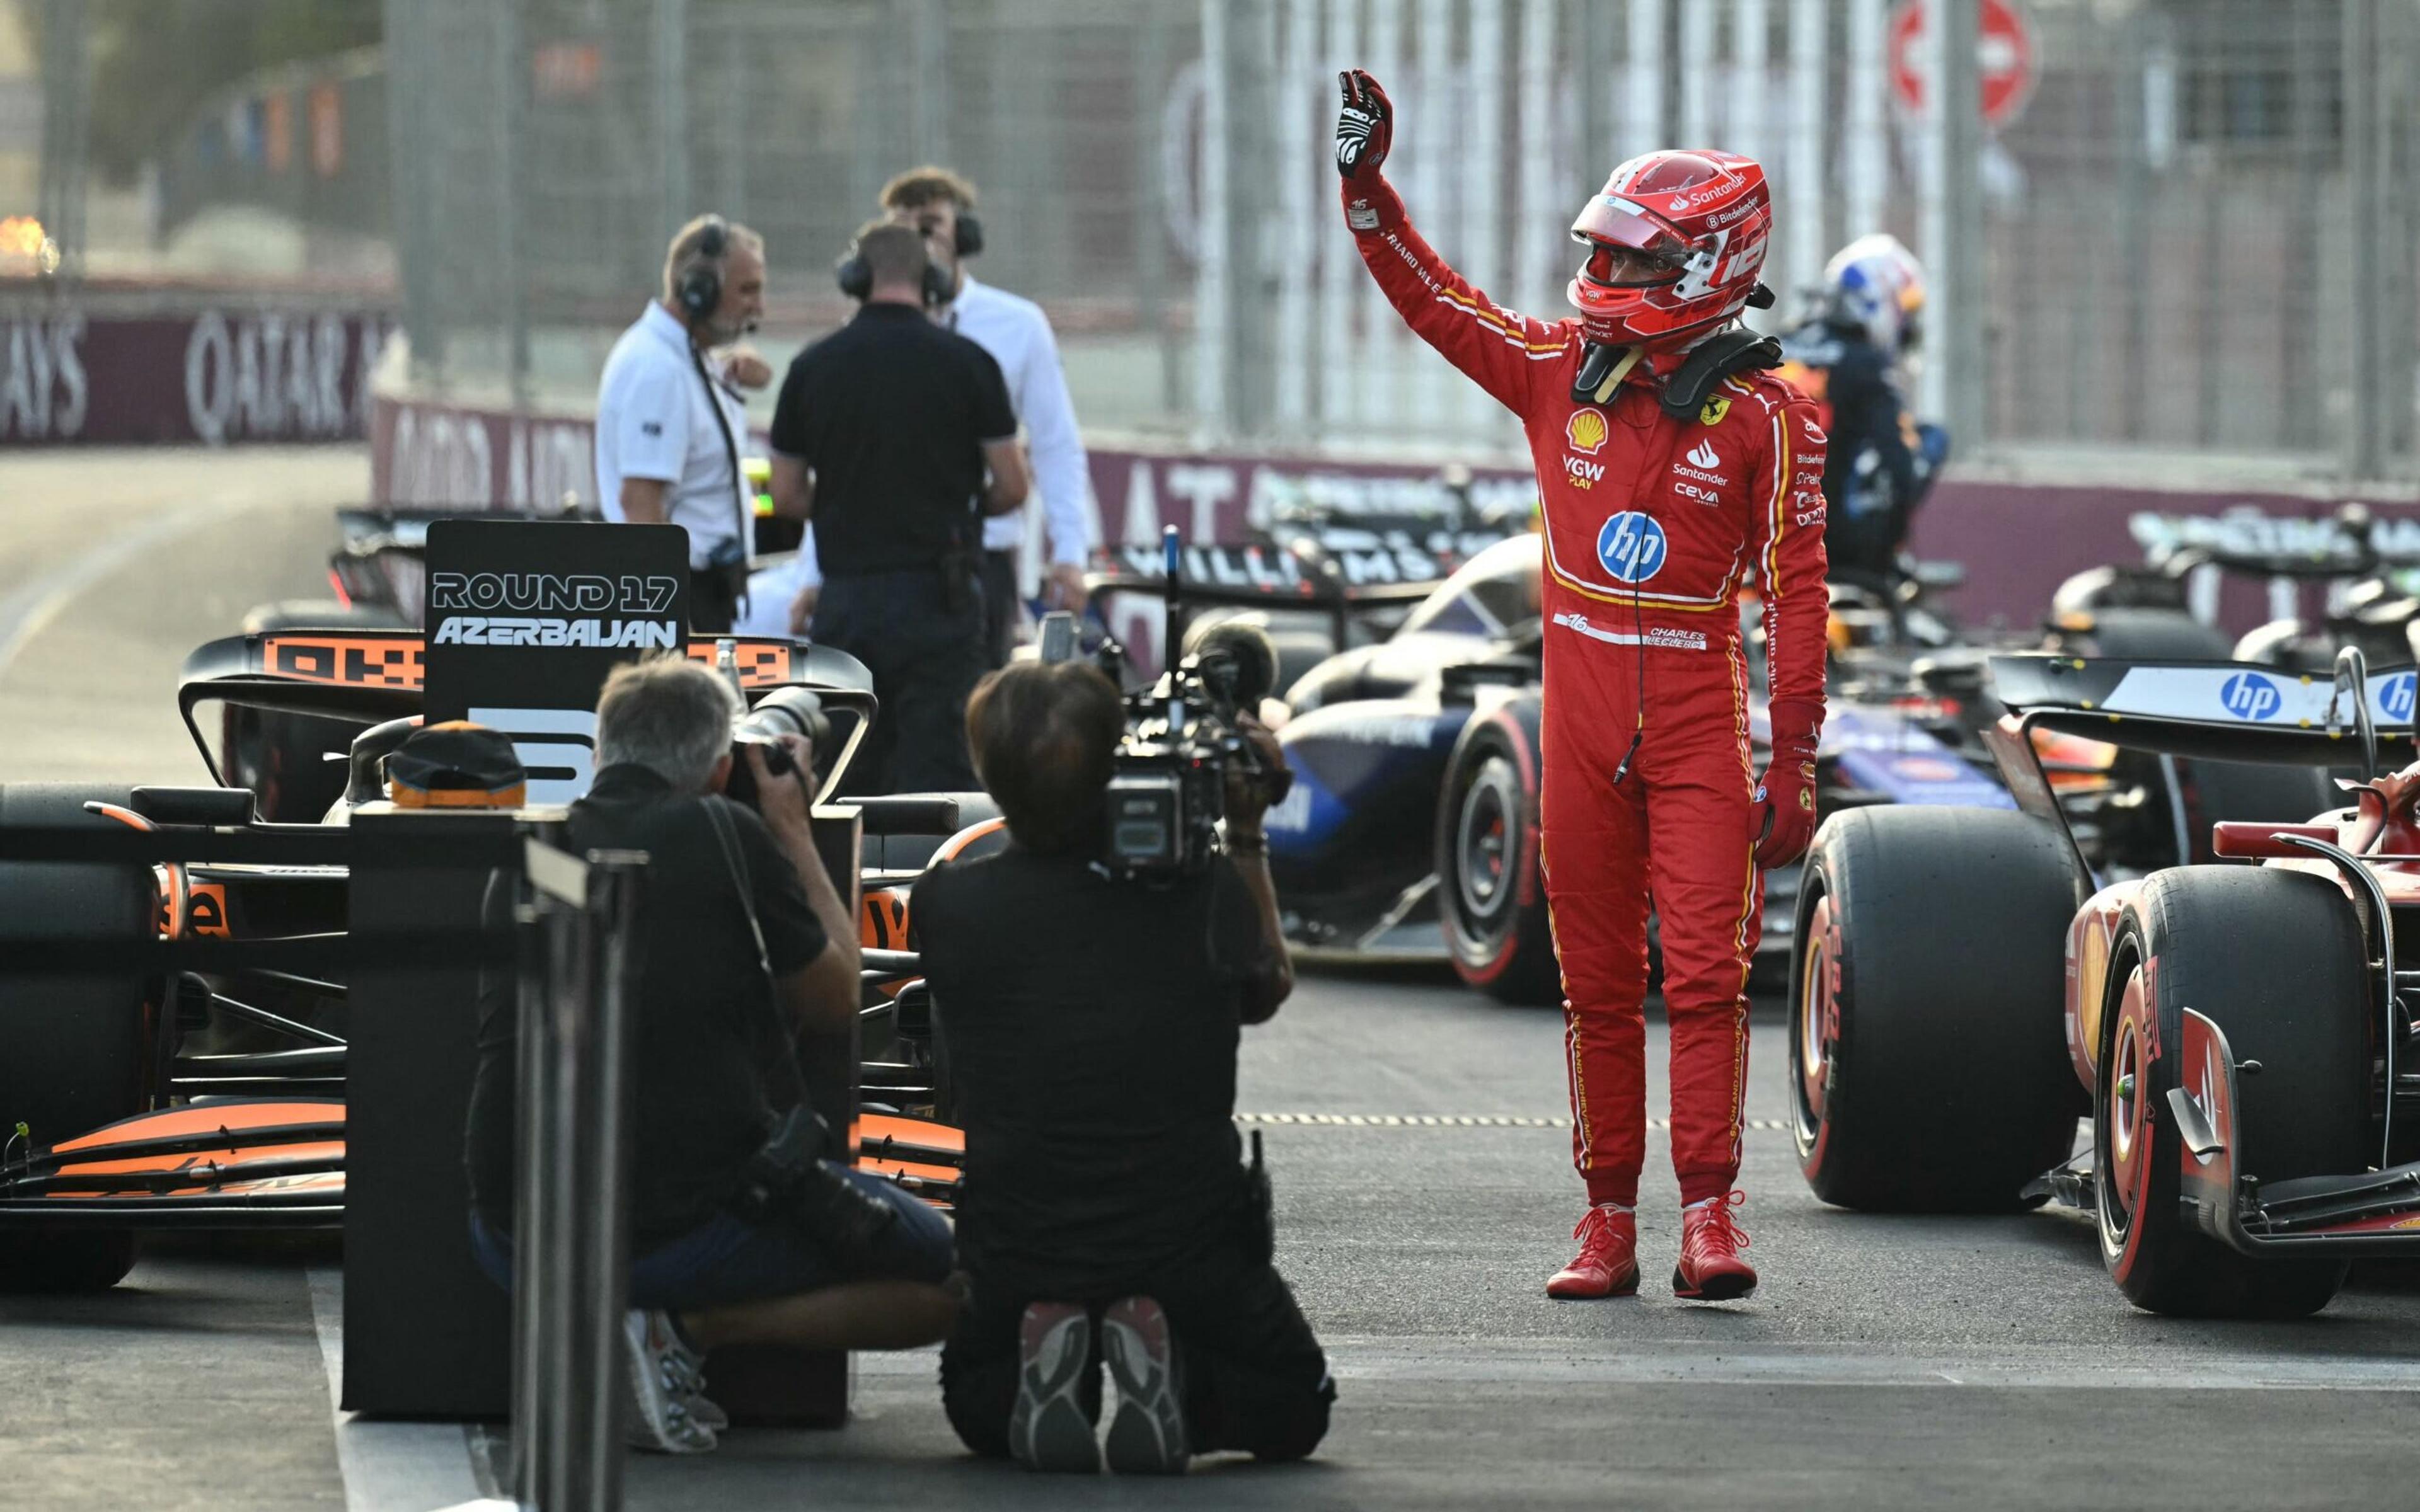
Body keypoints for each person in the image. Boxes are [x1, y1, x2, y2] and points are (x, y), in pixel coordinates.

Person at [1335, 71, 1828, 1301]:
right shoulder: (1558, 369)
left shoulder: (1774, 415)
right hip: (1580, 729)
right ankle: (1606, 1221)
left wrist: (1794, 762)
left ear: (1711, 266)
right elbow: (1441, 306)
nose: (1609, 284)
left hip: (1701, 732)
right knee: (1598, 985)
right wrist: (1366, 192)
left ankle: (1711, 1220)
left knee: (1710, 980)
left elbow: (1804, 597)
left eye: (1639, 263)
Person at [463, 658, 957, 1454]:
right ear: (723, 766)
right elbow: (836, 1003)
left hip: (516, 1235)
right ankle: (688, 1327)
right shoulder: (727, 833)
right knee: (941, 1278)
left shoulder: (531, 853)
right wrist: (791, 827)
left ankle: (623, 1323)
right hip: (671, 1232)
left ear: (600, 751)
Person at [913, 660, 1333, 1474]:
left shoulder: (949, 908)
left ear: (988, 773)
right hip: (1189, 1240)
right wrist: (1243, 832)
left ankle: (1054, 1342)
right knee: (1292, 1409)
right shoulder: (1202, 892)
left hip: (1017, 1240)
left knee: (977, 1409)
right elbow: (1265, 989)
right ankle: (1170, 1370)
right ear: (1113, 764)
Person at [784, 167, 1096, 666]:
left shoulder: (1017, 326)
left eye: (929, 226)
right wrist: (812, 576)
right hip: (871, 560)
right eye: (904, 229)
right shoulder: (862, 341)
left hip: (972, 563)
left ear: (964, 237)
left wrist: (1070, 555)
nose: (918, 241)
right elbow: (842, 473)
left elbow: (1055, 445)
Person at [767, 221, 1029, 794]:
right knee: (939, 780)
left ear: (855, 280)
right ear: (931, 283)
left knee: (843, 778)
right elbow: (1013, 485)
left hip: (848, 602)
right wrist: (954, 508)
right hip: (940, 602)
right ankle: (931, 882)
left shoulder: (813, 367)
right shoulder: (968, 363)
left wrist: (848, 505)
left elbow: (784, 494)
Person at [594, 215, 786, 633]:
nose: (759, 306)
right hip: (683, 601)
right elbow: (641, 504)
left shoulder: (683, 359)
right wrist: (670, 623)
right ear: (699, 291)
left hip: (702, 595)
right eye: (747, 290)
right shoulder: (660, 371)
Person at [1777, 234, 1935, 583]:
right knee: (1931, 438)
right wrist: (1884, 557)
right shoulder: (1866, 364)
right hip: (1827, 543)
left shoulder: (1777, 345)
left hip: (1755, 539)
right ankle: (1878, 570)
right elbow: (1900, 468)